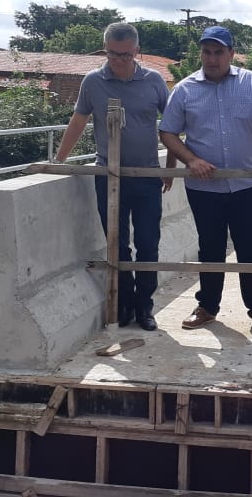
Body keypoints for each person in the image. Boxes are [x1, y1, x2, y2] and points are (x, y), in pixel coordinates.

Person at [158, 26, 252, 334]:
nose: (212, 59)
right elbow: (168, 132)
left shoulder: (250, 82)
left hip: (246, 184)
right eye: (206, 52)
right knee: (210, 247)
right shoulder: (184, 89)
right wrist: (191, 160)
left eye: (218, 52)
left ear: (231, 53)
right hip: (204, 187)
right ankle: (208, 307)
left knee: (250, 248)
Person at [54, 22, 170, 331]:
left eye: (125, 55)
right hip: (108, 175)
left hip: (147, 175)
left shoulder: (154, 81)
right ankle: (125, 305)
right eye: (113, 54)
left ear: (137, 52)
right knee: (117, 245)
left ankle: (145, 307)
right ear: (105, 50)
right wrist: (59, 160)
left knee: (148, 244)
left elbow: (172, 125)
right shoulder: (93, 82)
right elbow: (79, 120)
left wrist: (170, 166)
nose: (118, 60)